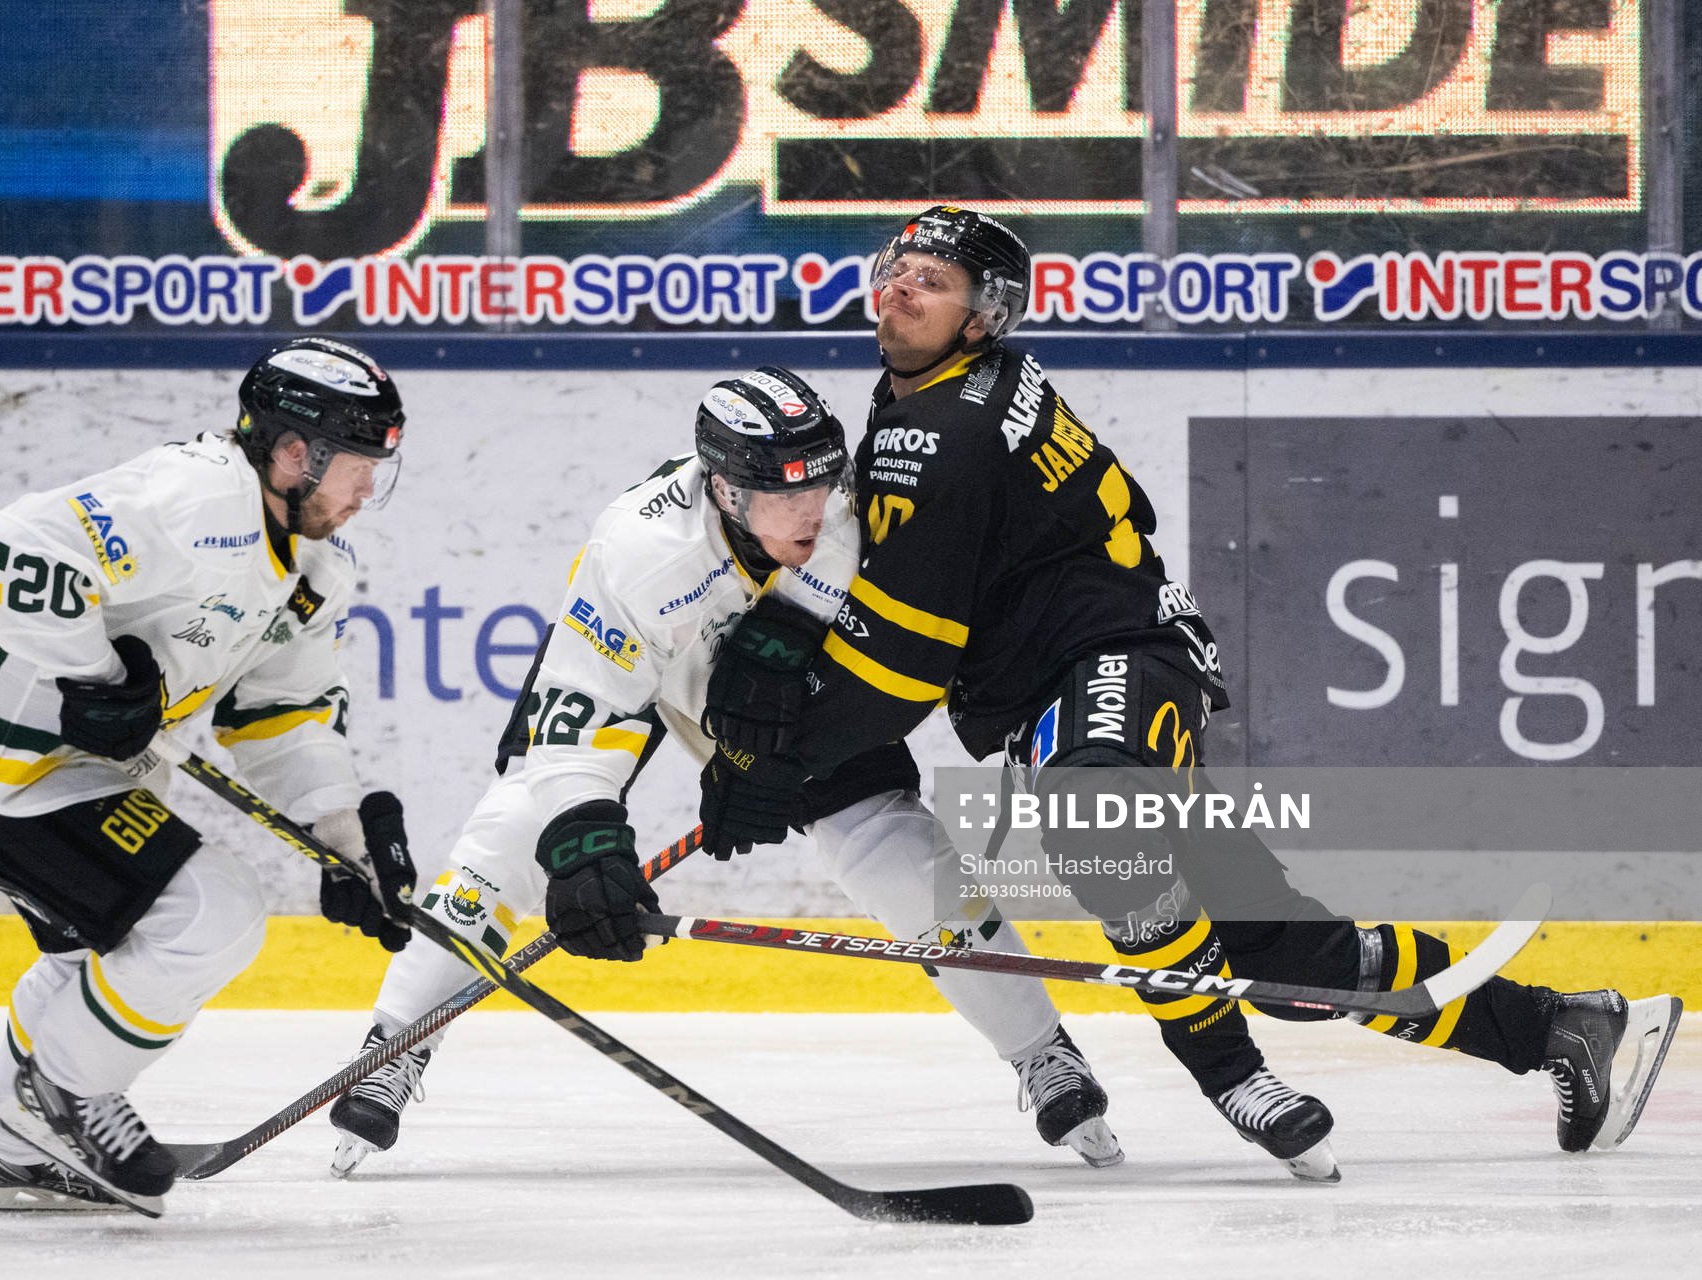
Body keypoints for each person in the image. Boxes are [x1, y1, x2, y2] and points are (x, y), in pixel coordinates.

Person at [691, 206, 1683, 1177]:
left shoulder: (940, 425)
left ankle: (1234, 1076)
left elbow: (907, 659)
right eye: (898, 266)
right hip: (1093, 673)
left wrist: (783, 763)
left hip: (1106, 661)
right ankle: (1561, 1023)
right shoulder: (939, 392)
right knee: (1291, 954)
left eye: (934, 280)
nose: (902, 285)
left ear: (983, 315)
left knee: (1095, 819)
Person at [325, 366, 1123, 1178]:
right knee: (511, 838)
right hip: (641, 675)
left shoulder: (840, 493)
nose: (812, 509)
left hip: (777, 684)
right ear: (726, 491)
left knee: (894, 855)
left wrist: (772, 698)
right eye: (785, 496)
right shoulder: (640, 554)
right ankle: (394, 1045)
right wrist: (583, 847)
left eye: (822, 483)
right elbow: (575, 721)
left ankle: (1041, 1051)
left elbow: (849, 573)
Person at [0, 337, 421, 1216]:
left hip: (65, 768)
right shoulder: (199, 498)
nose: (365, 493)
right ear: (291, 454)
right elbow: (15, 553)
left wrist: (341, 835)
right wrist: (91, 674)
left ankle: (8, 1150)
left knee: (104, 944)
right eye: (357, 468)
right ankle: (62, 1103)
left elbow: (279, 715)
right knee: (211, 913)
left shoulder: (315, 567)